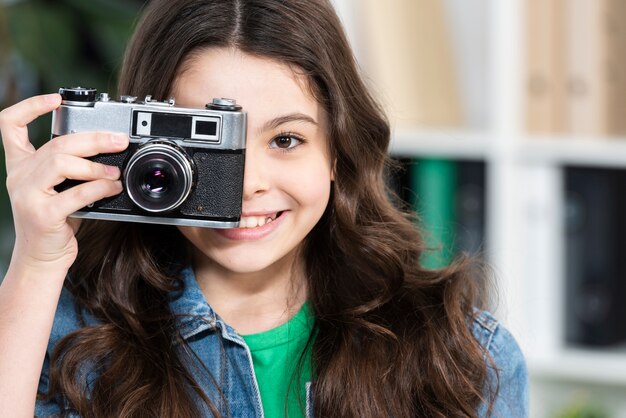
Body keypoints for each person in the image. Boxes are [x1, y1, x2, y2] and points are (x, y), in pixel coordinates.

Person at [0, 0, 528, 416]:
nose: (248, 185)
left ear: (338, 152)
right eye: (209, 147)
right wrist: (35, 261)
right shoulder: (60, 338)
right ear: (145, 148)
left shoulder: (462, 355)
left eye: (286, 140)